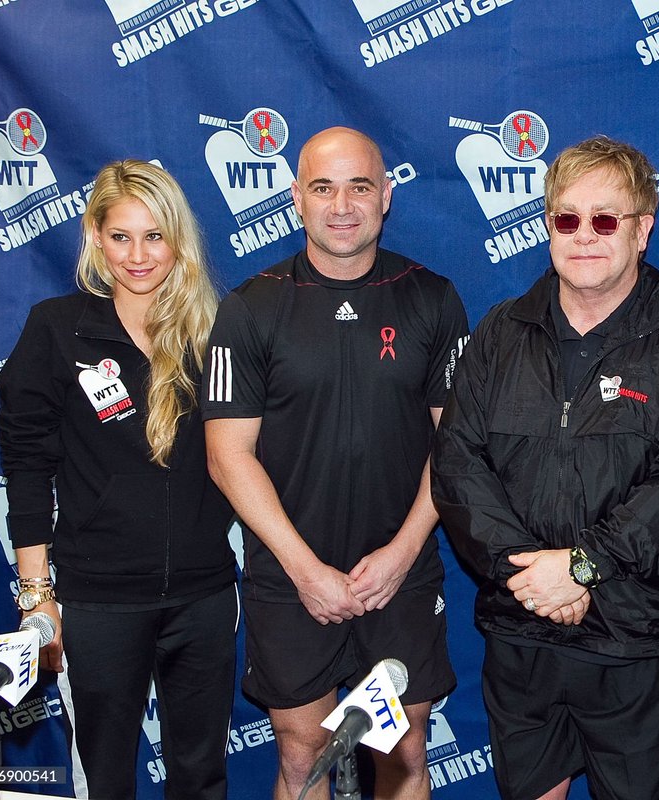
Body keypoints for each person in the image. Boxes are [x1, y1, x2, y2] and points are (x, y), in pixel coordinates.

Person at [432, 135, 659, 800]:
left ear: (642, 229)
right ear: (546, 227)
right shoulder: (500, 335)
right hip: (522, 630)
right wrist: (532, 575)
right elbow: (457, 467)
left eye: (605, 219)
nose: (583, 236)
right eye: (566, 218)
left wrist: (580, 567)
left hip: (632, 637)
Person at [202, 126, 468, 800]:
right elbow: (228, 457)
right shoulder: (251, 307)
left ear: (385, 196)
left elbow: (456, 447)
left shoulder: (431, 298)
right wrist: (306, 571)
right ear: (296, 198)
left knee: (402, 751)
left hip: (400, 574)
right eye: (322, 187)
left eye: (358, 186)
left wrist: (403, 552)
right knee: (301, 754)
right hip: (289, 578)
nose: (341, 204)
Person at [0, 160, 237, 800]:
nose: (138, 255)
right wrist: (34, 593)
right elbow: (25, 465)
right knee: (106, 782)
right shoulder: (56, 328)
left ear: (178, 240)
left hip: (204, 596)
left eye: (154, 236)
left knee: (201, 777)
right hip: (98, 601)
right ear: (96, 238)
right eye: (121, 236)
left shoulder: (218, 332)